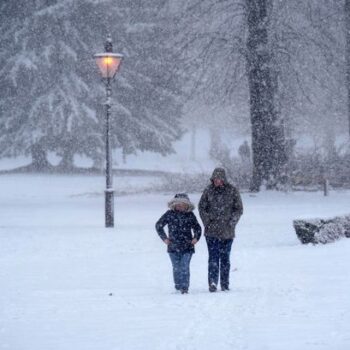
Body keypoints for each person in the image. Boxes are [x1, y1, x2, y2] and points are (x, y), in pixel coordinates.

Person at [199, 168, 243, 292]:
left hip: (227, 233)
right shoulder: (208, 191)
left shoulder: (232, 191)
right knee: (213, 258)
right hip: (211, 232)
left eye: (219, 179)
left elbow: (238, 209)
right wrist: (207, 221)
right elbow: (202, 207)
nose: (217, 181)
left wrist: (231, 223)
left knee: (225, 259)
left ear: (223, 179)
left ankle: (225, 284)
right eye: (215, 179)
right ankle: (212, 283)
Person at [155, 193, 201, 294]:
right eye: (178, 204)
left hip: (187, 246)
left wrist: (196, 238)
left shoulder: (190, 215)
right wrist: (164, 238)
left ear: (187, 205)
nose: (180, 206)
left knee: (184, 266)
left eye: (182, 204)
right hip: (173, 246)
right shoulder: (169, 214)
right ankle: (178, 285)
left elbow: (197, 228)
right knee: (176, 268)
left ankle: (184, 287)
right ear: (174, 205)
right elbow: (158, 225)